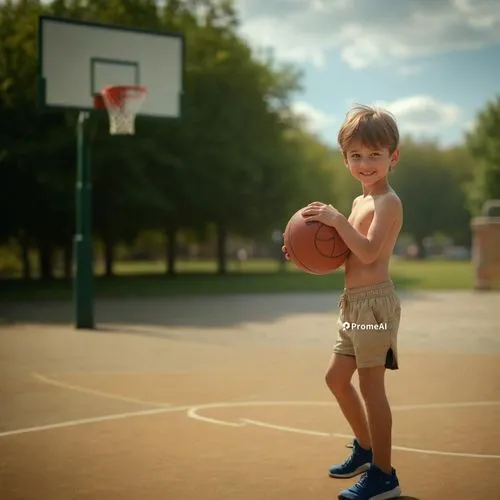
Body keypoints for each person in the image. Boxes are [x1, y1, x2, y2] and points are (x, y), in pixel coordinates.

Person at [282, 104, 403, 500]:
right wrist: (305, 254)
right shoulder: (356, 202)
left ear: (393, 157)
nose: (365, 163)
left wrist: (336, 222)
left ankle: (384, 476)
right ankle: (366, 450)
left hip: (374, 306)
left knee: (371, 389)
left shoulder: (388, 202)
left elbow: (368, 253)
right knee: (336, 379)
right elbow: (348, 257)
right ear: (345, 158)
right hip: (352, 303)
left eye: (374, 155)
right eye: (356, 156)